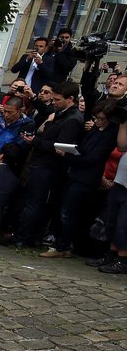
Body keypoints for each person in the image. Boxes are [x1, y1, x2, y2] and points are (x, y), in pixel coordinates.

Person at [42, 100, 119, 258]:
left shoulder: (110, 134)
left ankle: (62, 245)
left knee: (68, 212)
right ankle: (64, 245)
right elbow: (84, 149)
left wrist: (69, 156)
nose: (97, 121)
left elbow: (93, 158)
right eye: (96, 117)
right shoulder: (96, 130)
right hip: (76, 173)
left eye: (101, 118)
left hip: (86, 177)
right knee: (67, 210)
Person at [12, 81, 84, 249]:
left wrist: (35, 140)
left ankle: (24, 238)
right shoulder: (62, 113)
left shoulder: (73, 119)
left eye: (58, 100)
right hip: (42, 163)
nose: (54, 103)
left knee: (35, 203)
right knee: (32, 202)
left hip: (48, 167)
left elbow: (60, 147)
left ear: (70, 99)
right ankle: (25, 236)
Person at [91, 120, 127, 273]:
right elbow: (122, 146)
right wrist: (123, 123)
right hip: (121, 180)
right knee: (112, 220)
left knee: (124, 224)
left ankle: (122, 259)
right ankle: (112, 254)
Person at [0, 96, 35, 166]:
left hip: (6, 165)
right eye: (4, 111)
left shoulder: (27, 125)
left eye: (10, 112)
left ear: (20, 111)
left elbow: (19, 148)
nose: (6, 115)